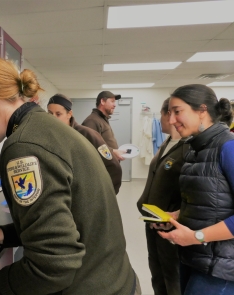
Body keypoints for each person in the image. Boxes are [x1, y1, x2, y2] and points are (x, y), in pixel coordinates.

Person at [0, 56, 140, 295]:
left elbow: (53, 265)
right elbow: (68, 217)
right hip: (114, 280)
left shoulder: (24, 147)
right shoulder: (47, 128)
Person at [158, 84, 234, 295]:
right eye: (170, 113)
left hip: (220, 269)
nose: (171, 120)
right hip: (193, 257)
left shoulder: (228, 147)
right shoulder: (194, 149)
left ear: (202, 111)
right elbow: (210, 201)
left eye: (177, 111)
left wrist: (197, 236)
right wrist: (178, 215)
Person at [137, 97, 189, 295]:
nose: (160, 120)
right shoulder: (167, 143)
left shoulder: (187, 147)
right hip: (153, 222)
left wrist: (178, 215)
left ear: (170, 114)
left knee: (172, 274)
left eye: (162, 114)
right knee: (157, 271)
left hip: (170, 224)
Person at [47, 93, 122, 194]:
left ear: (69, 114)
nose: (53, 118)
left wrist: (106, 196)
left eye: (58, 114)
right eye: (50, 113)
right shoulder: (47, 136)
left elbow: (113, 166)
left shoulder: (87, 134)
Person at [82, 90, 125, 161]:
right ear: (102, 101)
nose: (115, 105)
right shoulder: (92, 121)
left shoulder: (102, 119)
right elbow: (90, 147)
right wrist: (113, 152)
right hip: (101, 169)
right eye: (112, 101)